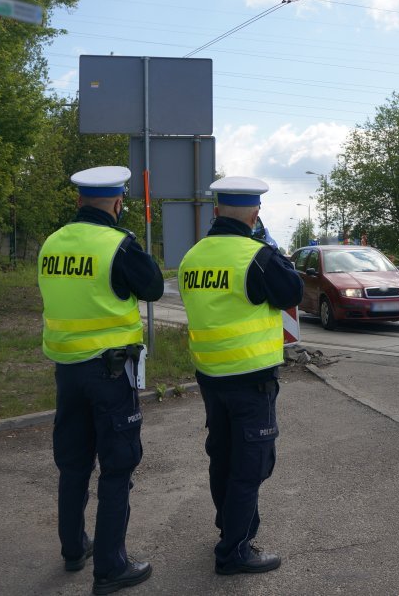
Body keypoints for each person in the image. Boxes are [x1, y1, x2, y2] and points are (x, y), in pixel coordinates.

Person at [37, 166, 163, 595]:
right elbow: (153, 287)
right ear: (117, 202)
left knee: (73, 464)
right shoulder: (118, 245)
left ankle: (74, 548)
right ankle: (111, 567)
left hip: (66, 371)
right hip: (109, 374)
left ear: (78, 201)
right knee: (117, 466)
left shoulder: (52, 243)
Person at [177, 176, 303, 576]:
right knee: (251, 465)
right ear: (255, 215)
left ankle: (229, 527)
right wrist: (271, 248)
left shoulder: (192, 256)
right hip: (251, 379)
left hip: (210, 376)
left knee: (223, 456)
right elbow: (291, 293)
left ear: (215, 212)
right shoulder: (257, 256)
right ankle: (233, 553)